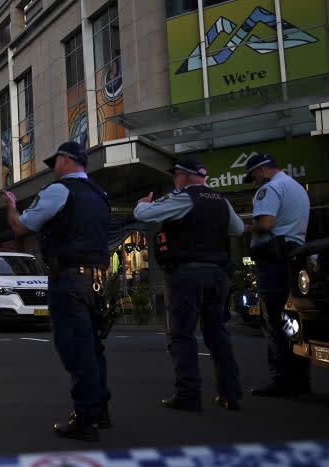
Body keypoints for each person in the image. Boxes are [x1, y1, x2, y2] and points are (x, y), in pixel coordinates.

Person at [4, 141, 111, 442]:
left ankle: (86, 418)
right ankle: (100, 409)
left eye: (55, 162)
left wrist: (11, 206)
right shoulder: (100, 194)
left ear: (66, 160)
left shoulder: (60, 190)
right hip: (97, 279)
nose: (53, 168)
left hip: (69, 279)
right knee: (93, 346)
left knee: (76, 347)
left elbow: (21, 228)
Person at [133, 159, 245, 411]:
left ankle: (188, 394)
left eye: (176, 176)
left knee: (182, 334)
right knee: (218, 333)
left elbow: (145, 215)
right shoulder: (221, 200)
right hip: (218, 276)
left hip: (187, 275)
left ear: (183, 176)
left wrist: (142, 205)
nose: (175, 180)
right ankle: (231, 393)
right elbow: (238, 229)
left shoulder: (184, 198)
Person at [244, 153, 311, 397]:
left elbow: (265, 224)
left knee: (273, 320)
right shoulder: (296, 187)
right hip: (294, 258)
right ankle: (301, 378)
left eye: (253, 176)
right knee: (293, 320)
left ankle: (282, 379)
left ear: (261, 171)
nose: (254, 181)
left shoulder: (269, 189)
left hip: (273, 261)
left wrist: (246, 227)